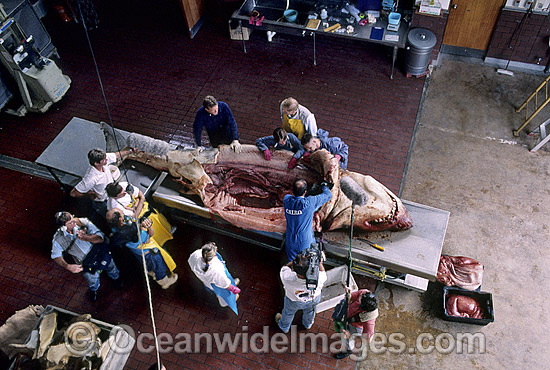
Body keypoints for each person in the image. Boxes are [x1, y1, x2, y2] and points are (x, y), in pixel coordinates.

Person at [51, 211, 122, 302]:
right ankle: (94, 290)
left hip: (99, 252)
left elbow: (100, 239)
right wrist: (67, 266)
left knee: (111, 266)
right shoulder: (58, 238)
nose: (74, 222)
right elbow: (56, 255)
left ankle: (116, 278)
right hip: (85, 262)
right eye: (70, 223)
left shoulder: (83, 222)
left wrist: (86, 237)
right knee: (92, 279)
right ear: (63, 227)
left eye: (73, 218)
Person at [106, 208, 178, 289]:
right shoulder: (133, 232)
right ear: (120, 219)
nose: (123, 212)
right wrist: (148, 226)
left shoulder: (116, 228)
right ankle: (164, 282)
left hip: (138, 252)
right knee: (159, 266)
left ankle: (151, 272)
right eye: (121, 212)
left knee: (148, 265)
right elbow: (149, 237)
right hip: (149, 253)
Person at [70, 147, 134, 217]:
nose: (107, 159)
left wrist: (130, 151)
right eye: (104, 159)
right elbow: (73, 193)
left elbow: (116, 155)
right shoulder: (91, 178)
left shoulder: (104, 160)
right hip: (102, 202)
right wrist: (90, 193)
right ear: (96, 163)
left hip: (111, 195)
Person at [106, 181, 173, 247]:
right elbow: (134, 216)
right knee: (153, 235)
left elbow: (140, 194)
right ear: (114, 197)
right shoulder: (115, 206)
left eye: (124, 191)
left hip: (147, 210)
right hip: (142, 220)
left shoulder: (124, 185)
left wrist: (136, 205)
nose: (125, 193)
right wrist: (140, 201)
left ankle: (169, 232)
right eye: (122, 194)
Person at [275, 251, 327, 334]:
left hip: (293, 301)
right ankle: (308, 324)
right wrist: (319, 262)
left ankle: (284, 327)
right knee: (310, 312)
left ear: (294, 269)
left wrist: (294, 263)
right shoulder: (319, 277)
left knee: (288, 313)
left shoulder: (287, 277)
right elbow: (323, 272)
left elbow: (285, 268)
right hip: (313, 299)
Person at [283, 179, 332, 262]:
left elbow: (296, 200)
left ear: (292, 190)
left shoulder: (286, 200)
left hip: (290, 240)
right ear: (305, 191)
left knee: (292, 263)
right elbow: (328, 195)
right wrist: (324, 186)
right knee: (307, 265)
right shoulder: (309, 202)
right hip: (305, 241)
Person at [188, 242, 241, 314]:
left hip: (207, 281)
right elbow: (225, 284)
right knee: (222, 293)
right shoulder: (216, 271)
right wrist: (233, 289)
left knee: (216, 290)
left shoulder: (194, 256)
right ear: (214, 256)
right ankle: (225, 303)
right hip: (218, 284)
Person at [334, 289, 379, 359]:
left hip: (355, 326)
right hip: (347, 316)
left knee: (348, 342)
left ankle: (347, 351)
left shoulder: (369, 321)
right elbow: (352, 297)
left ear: (363, 310)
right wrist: (349, 295)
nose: (359, 296)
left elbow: (367, 339)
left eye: (359, 300)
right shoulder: (364, 293)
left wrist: (350, 336)